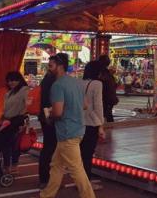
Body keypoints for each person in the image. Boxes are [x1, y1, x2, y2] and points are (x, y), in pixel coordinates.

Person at [40, 53, 95, 198]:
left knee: (76, 169)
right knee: (56, 166)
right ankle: (46, 194)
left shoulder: (57, 85)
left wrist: (49, 115)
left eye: (50, 66)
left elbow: (57, 112)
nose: (48, 69)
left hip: (66, 131)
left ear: (59, 66)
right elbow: (84, 105)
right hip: (78, 128)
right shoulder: (76, 82)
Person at [80, 61, 106, 190]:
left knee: (80, 154)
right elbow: (98, 105)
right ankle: (86, 183)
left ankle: (81, 181)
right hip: (91, 123)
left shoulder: (80, 83)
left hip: (79, 122)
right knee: (88, 154)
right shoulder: (97, 84)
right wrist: (100, 125)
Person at [0, 71, 29, 174]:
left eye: (14, 80)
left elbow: (28, 106)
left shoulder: (24, 90)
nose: (11, 82)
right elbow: (5, 109)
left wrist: (24, 121)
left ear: (19, 80)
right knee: (6, 144)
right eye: (9, 80)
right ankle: (7, 165)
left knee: (13, 144)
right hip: (6, 121)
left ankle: (12, 166)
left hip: (17, 121)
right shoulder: (9, 93)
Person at [38, 71, 57, 188]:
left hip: (45, 118)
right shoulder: (53, 81)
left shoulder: (46, 80)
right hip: (50, 118)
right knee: (51, 149)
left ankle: (44, 178)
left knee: (48, 148)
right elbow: (48, 102)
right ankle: (46, 180)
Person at [98, 55, 118, 123]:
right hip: (108, 98)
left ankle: (106, 129)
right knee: (107, 114)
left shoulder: (102, 74)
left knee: (106, 114)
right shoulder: (108, 75)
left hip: (105, 99)